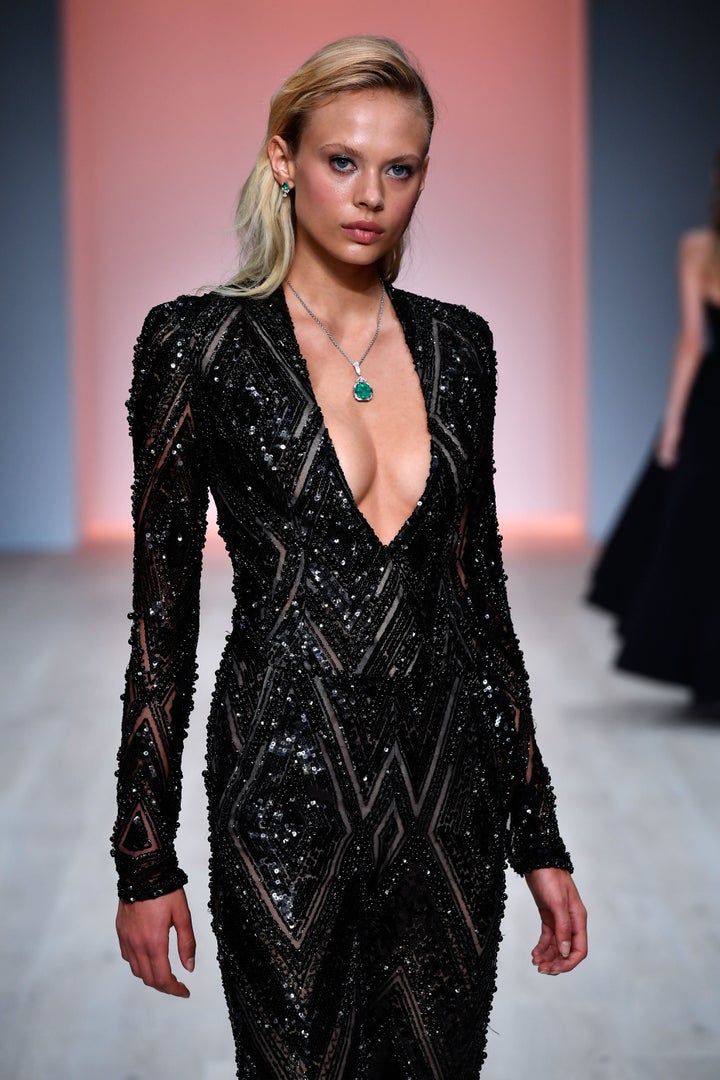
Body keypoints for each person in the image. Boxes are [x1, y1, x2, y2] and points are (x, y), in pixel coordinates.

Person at [112, 35, 587, 1078]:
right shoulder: (198, 346)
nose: (370, 194)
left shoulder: (460, 347)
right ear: (283, 159)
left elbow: (481, 603)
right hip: (281, 793)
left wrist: (537, 835)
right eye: (341, 161)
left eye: (400, 168)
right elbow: (162, 618)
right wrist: (145, 853)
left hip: (447, 799)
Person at [587, 152, 720, 713]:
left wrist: (674, 424)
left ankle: (707, 679)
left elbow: (692, 342)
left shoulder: (698, 249)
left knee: (699, 537)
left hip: (713, 402)